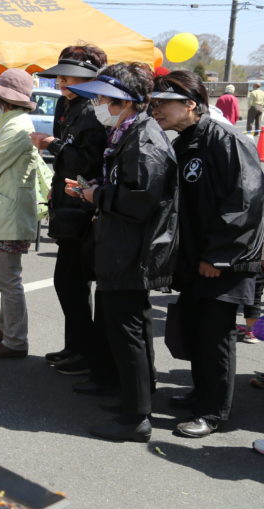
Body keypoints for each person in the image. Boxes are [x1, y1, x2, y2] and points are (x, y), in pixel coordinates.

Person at [65, 63, 177, 443]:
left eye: (102, 98)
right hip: (121, 247)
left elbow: (141, 200)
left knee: (128, 329)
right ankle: (131, 397)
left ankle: (136, 415)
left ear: (124, 101)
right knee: (125, 327)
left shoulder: (143, 138)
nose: (98, 104)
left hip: (132, 251)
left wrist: (97, 195)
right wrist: (95, 190)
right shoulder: (129, 133)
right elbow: (129, 190)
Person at [149, 70, 264, 438]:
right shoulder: (186, 139)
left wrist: (218, 256)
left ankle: (214, 412)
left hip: (223, 261)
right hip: (197, 258)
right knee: (197, 330)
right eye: (154, 103)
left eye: (164, 103)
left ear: (191, 104)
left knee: (216, 336)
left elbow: (245, 201)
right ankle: (202, 393)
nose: (157, 111)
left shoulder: (226, 139)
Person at [30, 46, 108, 377]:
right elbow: (68, 162)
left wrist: (51, 145)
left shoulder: (95, 110)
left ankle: (85, 351)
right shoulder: (66, 103)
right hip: (69, 196)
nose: (61, 79)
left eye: (69, 73)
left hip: (88, 202)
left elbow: (89, 161)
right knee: (68, 282)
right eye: (59, 73)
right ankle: (75, 346)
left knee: (73, 280)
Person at [0, 68, 43, 359]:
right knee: (6, 278)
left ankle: (15, 341)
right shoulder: (12, 121)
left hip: (8, 212)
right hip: (5, 209)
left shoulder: (16, 125)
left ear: (5, 99)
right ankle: (7, 329)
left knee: (8, 280)